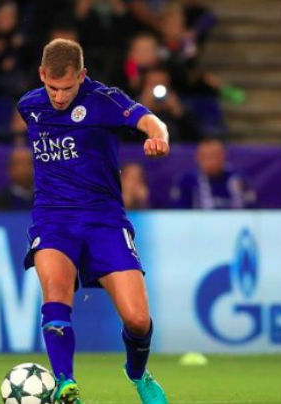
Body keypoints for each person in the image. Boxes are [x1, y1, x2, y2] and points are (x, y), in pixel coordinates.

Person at [17, 38, 169, 404]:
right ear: (42, 75)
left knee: (137, 320)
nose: (59, 97)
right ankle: (65, 384)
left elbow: (150, 120)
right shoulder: (29, 106)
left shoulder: (104, 100)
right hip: (53, 219)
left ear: (82, 76)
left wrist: (158, 137)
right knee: (56, 293)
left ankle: (137, 373)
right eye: (53, 87)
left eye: (67, 88)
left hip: (104, 220)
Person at [170, 138, 255, 209]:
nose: (209, 161)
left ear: (223, 156)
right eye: (204, 156)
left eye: (214, 156)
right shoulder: (186, 180)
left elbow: (251, 208)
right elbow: (179, 212)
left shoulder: (237, 178)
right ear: (197, 157)